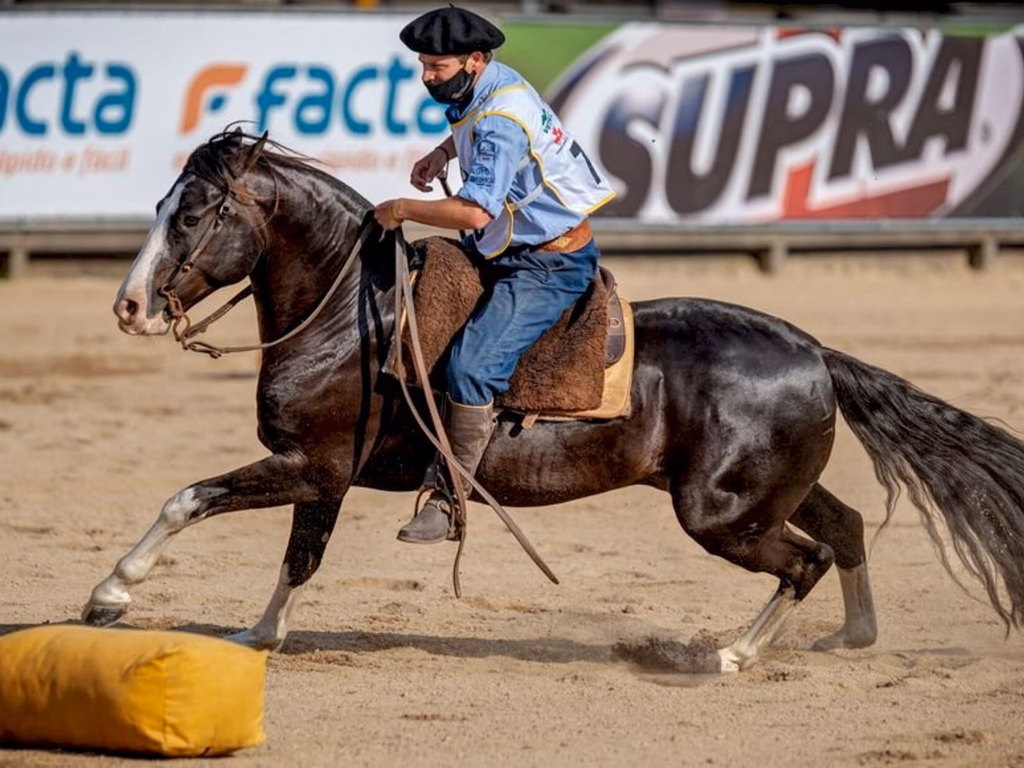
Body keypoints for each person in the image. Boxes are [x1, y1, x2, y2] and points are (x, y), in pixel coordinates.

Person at [374, 5, 615, 544]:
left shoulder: (503, 120)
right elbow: (469, 138)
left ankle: (451, 499)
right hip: (510, 247)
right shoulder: (487, 86)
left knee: (470, 368)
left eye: (436, 67)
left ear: (475, 60)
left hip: (547, 263)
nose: (426, 77)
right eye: (423, 65)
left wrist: (402, 207)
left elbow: (475, 213)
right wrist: (441, 154)